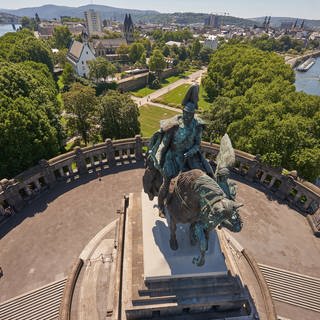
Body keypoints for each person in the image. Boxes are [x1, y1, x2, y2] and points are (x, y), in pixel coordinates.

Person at [149, 84, 213, 217]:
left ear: (193, 114)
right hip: (172, 157)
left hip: (188, 157)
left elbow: (197, 144)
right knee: (166, 183)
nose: (188, 116)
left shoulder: (197, 126)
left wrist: (191, 152)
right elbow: (165, 144)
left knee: (202, 177)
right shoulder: (175, 126)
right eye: (186, 113)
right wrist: (159, 157)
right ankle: (161, 207)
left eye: (191, 114)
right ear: (183, 112)